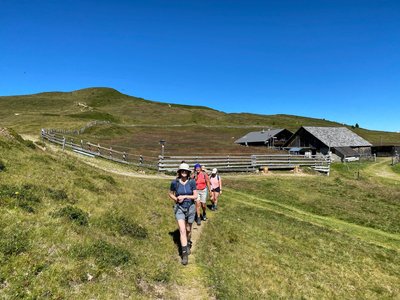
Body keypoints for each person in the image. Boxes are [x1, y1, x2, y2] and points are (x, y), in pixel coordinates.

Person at [168, 163, 198, 265]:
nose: (184, 172)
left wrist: (185, 196)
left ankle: (188, 242)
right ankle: (184, 255)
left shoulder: (192, 182)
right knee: (182, 230)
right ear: (179, 172)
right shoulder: (175, 183)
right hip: (179, 208)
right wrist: (176, 199)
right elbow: (170, 193)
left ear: (188, 172)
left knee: (188, 229)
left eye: (185, 171)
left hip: (190, 208)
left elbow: (195, 196)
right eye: (182, 170)